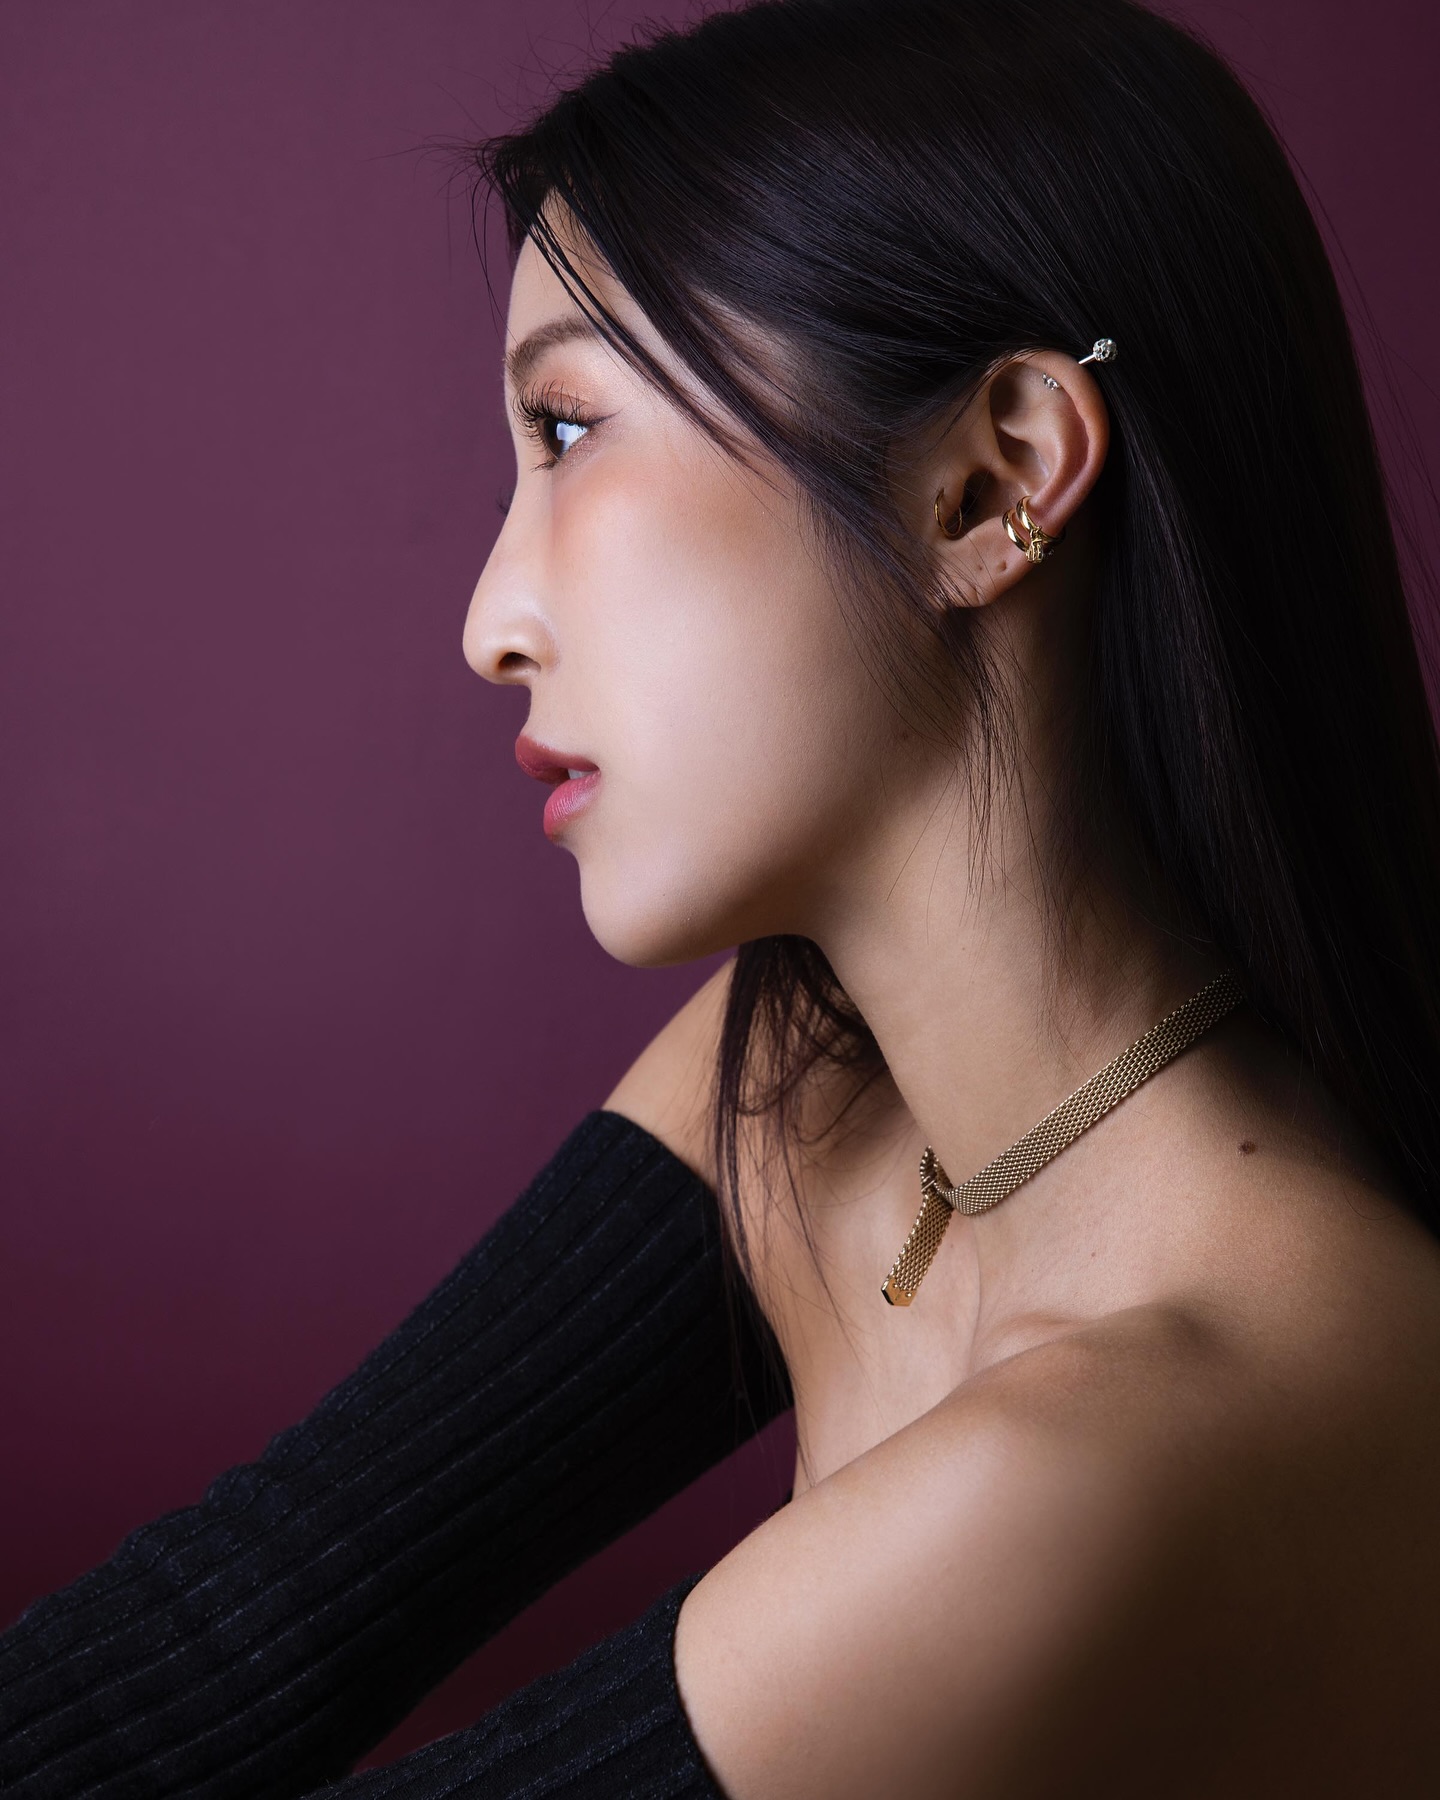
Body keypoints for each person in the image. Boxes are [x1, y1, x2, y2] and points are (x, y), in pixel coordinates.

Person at [5, 0, 1440, 1793]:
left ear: (991, 481)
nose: (490, 619)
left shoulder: (1131, 1453)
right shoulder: (820, 1079)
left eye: (569, 428)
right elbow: (245, 1624)